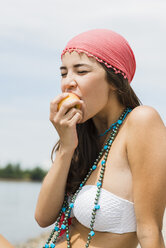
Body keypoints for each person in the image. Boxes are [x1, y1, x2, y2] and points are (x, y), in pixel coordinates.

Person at [35, 29, 166, 248]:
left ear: (115, 80)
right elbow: (42, 217)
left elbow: (150, 230)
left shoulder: (141, 121)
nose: (68, 82)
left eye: (81, 71)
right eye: (64, 73)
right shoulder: (79, 137)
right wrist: (66, 148)